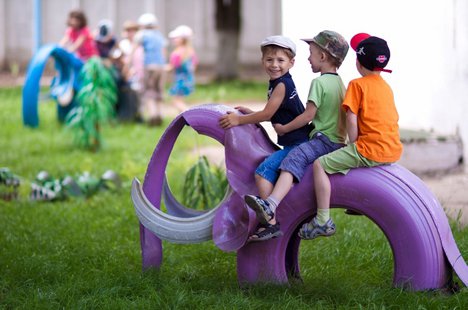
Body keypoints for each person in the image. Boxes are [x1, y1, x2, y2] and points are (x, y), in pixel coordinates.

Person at [243, 30, 349, 241]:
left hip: (324, 139)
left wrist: (285, 128)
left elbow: (308, 115)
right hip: (335, 138)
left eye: (311, 53)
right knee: (290, 158)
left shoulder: (319, 83)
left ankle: (271, 205)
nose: (308, 58)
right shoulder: (339, 83)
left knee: (293, 159)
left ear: (322, 57)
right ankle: (271, 209)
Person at [299, 33, 403, 240]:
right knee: (354, 162)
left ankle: (322, 219)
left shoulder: (357, 84)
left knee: (320, 165)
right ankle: (358, 204)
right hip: (392, 150)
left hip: (370, 149)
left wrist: (352, 144)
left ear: (358, 62)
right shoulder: (386, 87)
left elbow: (351, 118)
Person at [219, 35, 311, 241]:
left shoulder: (281, 85)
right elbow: (276, 112)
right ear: (262, 61)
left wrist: (238, 121)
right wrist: (251, 112)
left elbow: (268, 114)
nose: (274, 65)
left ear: (291, 62)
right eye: (270, 60)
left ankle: (270, 223)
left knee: (262, 172)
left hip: (298, 144)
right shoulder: (279, 82)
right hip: (294, 141)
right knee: (265, 168)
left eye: (280, 60)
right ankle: (270, 215)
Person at [134, 13, 168, 126]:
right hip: (161, 67)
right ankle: (160, 114)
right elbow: (164, 52)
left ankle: (153, 116)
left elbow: (134, 50)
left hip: (149, 66)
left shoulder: (141, 34)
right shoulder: (159, 35)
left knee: (149, 91)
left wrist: (128, 65)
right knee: (159, 91)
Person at [167, 25, 198, 112]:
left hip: (179, 81)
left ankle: (188, 114)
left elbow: (171, 67)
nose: (174, 39)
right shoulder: (190, 51)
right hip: (188, 80)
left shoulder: (177, 52)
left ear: (182, 39)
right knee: (179, 100)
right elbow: (194, 66)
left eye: (176, 38)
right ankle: (183, 118)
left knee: (176, 102)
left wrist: (161, 68)